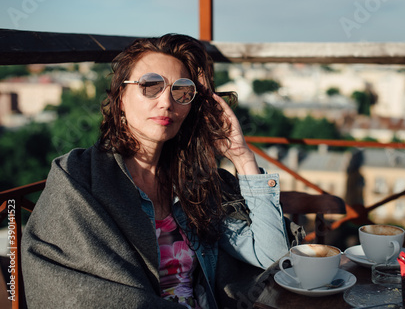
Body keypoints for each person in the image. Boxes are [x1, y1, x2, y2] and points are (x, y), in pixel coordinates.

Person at [21, 33, 290, 308]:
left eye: (182, 90)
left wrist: (242, 157)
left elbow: (274, 257)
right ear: (120, 97)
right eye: (150, 85)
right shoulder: (78, 178)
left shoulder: (193, 185)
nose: (166, 102)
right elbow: (72, 292)